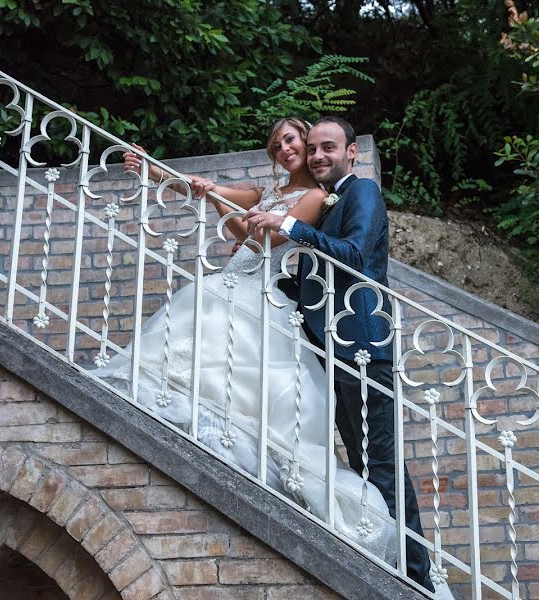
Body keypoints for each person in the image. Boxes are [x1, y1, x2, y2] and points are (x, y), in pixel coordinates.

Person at [95, 117, 398, 562]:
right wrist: (158, 173)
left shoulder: (318, 196)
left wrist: (238, 215)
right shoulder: (267, 194)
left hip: (274, 294)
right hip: (241, 279)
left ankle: (406, 558)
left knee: (356, 441)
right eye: (278, 145)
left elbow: (264, 238)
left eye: (293, 140)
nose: (288, 149)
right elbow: (220, 201)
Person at [244, 116, 437, 593]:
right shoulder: (330, 202)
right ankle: (390, 561)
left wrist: (291, 227)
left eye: (328, 148)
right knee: (362, 457)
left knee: (382, 461)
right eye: (313, 149)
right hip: (332, 342)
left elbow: (351, 254)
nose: (317, 157)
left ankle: (417, 578)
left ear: (352, 152)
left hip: (362, 344)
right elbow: (319, 275)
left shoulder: (362, 192)